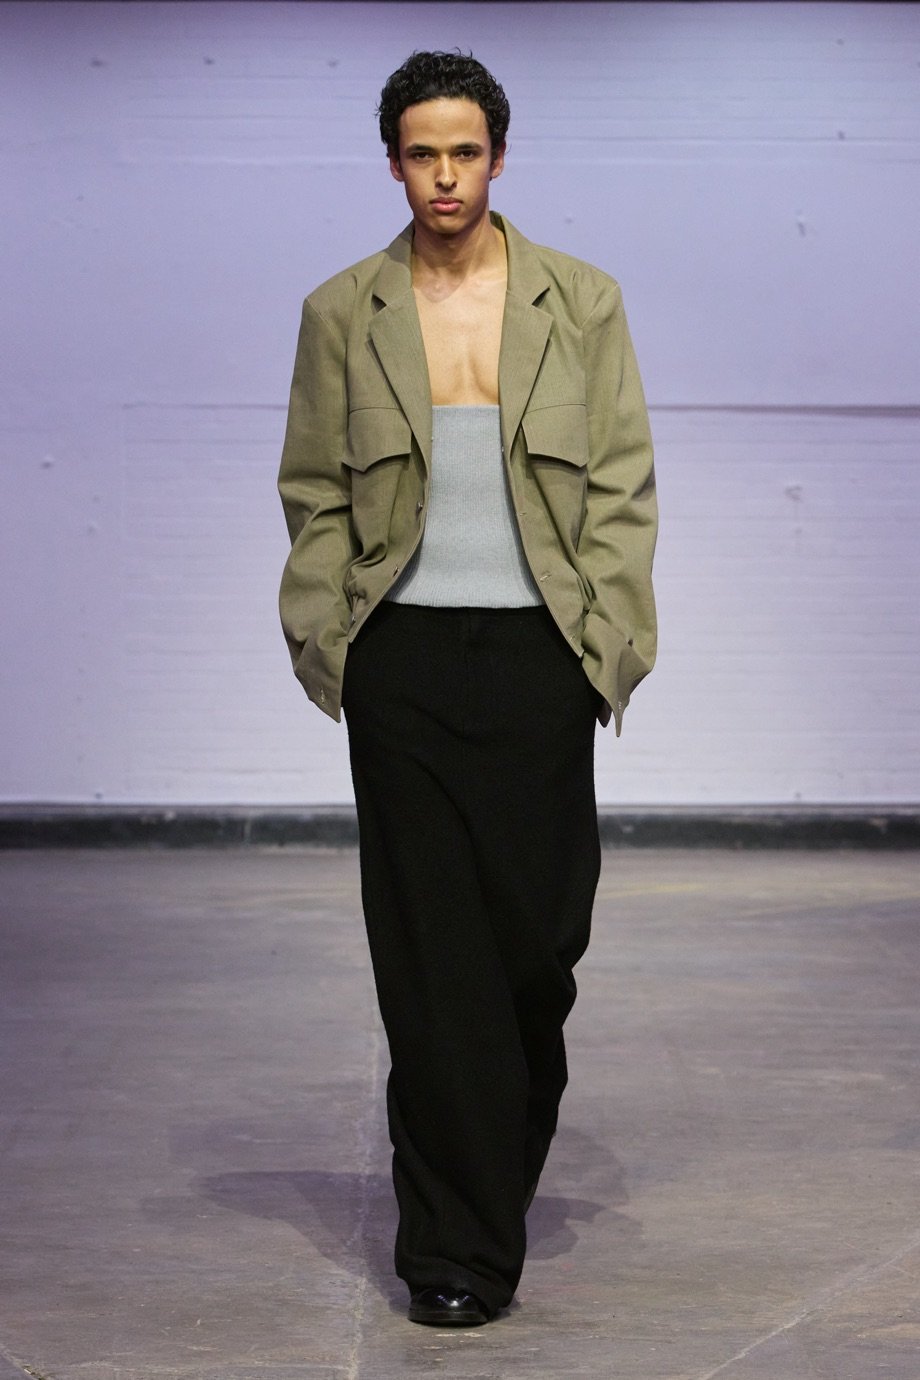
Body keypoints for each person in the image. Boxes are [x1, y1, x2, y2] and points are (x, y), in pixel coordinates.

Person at [277, 49, 657, 1328]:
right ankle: (454, 1248)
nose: (443, 176)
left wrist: (608, 639)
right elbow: (312, 487)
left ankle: (490, 1169)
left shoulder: (579, 300)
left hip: (541, 656)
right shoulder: (344, 308)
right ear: (392, 162)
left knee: (535, 951)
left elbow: (621, 482)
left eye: (464, 152)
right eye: (421, 153)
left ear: (498, 156)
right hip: (404, 660)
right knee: (430, 961)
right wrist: (330, 637)